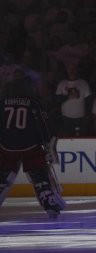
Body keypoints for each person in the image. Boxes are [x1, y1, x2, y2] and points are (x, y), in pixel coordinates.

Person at [0, 79, 66, 218]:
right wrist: (48, 143)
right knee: (40, 177)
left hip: (7, 146)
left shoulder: (2, 102)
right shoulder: (33, 103)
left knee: (2, 177)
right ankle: (50, 205)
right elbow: (44, 124)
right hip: (30, 145)